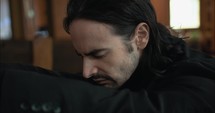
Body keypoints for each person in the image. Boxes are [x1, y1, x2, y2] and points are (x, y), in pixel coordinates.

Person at [0, 0, 215, 113]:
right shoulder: (128, 71)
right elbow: (67, 82)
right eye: (82, 56)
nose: (87, 71)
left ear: (140, 36)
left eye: (98, 54)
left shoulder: (202, 79)